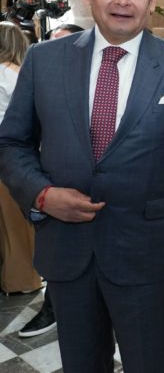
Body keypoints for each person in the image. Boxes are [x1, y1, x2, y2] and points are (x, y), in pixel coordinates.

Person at [0, 0, 164, 373]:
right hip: (67, 247)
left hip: (144, 250)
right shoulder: (44, 60)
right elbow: (11, 143)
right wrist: (42, 195)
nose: (122, 1)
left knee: (148, 362)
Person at [17, 23, 86, 339]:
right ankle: (50, 307)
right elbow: (14, 141)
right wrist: (41, 194)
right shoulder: (39, 67)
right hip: (58, 213)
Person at [0, 21, 42, 295]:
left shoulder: (8, 74)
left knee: (11, 224)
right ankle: (22, 278)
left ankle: (19, 279)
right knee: (16, 223)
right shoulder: (17, 73)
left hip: (9, 153)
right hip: (18, 154)